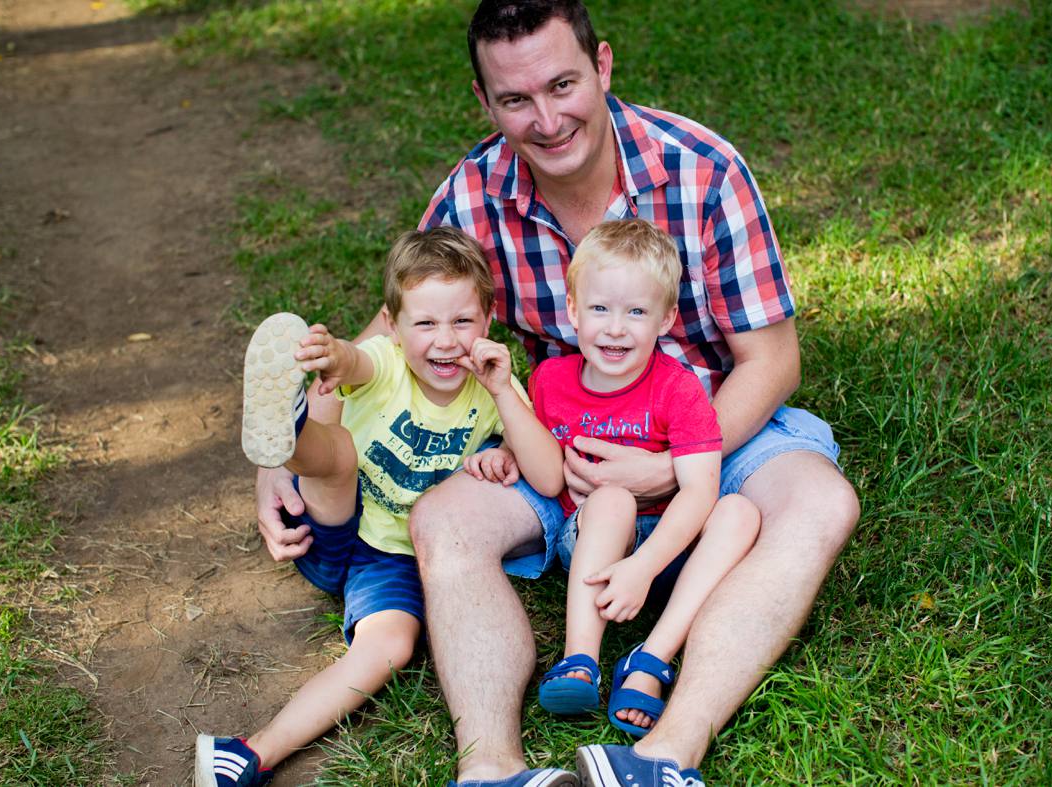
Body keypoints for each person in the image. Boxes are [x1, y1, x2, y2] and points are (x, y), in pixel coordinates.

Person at [255, 2, 861, 785]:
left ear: (602, 67)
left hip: (715, 426)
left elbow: (773, 362)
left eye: (563, 84)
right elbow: (381, 345)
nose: (546, 120)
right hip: (562, 442)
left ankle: (665, 757)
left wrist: (675, 464)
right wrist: (293, 449)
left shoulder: (702, 170)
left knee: (822, 502)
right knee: (444, 517)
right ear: (484, 101)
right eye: (515, 100)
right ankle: (490, 768)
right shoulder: (474, 195)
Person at [197, 227, 564, 787]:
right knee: (339, 450)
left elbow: (547, 473)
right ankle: (289, 426)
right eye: (425, 323)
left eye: (461, 321)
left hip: (393, 562)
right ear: (392, 326)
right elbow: (354, 364)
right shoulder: (384, 362)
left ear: (488, 320)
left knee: (391, 645)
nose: (445, 341)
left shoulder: (491, 385)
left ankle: (247, 753)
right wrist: (334, 358)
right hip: (331, 524)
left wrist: (503, 397)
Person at [462, 220, 760, 740]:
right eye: (600, 309)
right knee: (615, 499)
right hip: (594, 541)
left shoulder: (679, 388)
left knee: (739, 512)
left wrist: (644, 567)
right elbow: (549, 472)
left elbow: (699, 490)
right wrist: (508, 449)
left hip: (667, 549)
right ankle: (580, 658)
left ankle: (651, 660)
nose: (616, 328)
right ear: (573, 310)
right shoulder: (551, 380)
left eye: (636, 312)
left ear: (666, 319)